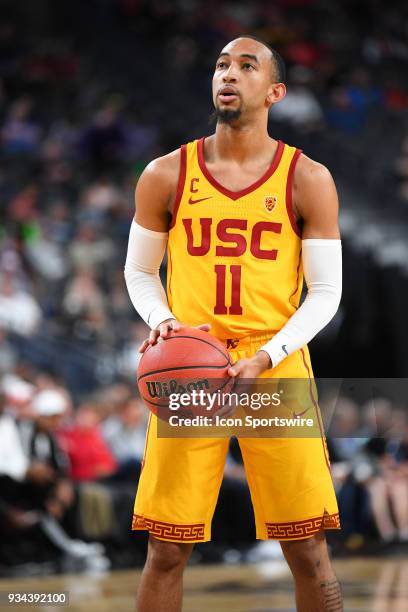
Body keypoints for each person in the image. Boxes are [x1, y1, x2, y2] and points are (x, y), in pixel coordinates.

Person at [125, 36, 343, 612]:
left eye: (247, 66)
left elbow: (325, 293)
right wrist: (166, 324)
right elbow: (140, 273)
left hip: (273, 364)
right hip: (193, 371)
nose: (229, 74)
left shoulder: (308, 178)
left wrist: (268, 356)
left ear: (275, 92)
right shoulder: (165, 173)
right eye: (222, 64)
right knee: (166, 548)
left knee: (306, 545)